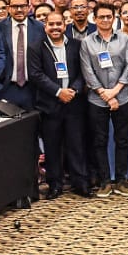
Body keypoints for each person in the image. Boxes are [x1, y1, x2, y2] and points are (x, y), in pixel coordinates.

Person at [29, 10, 89, 198]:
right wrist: (58, 92)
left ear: (65, 25)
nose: (55, 28)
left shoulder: (76, 45)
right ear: (45, 26)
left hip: (74, 103)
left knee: (76, 145)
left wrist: (73, 90)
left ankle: (80, 183)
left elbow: (83, 72)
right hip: (49, 105)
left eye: (58, 24)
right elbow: (36, 74)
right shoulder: (36, 47)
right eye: (51, 24)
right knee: (52, 147)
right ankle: (55, 185)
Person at [79, 2, 128, 194]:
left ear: (114, 18)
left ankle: (121, 180)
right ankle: (105, 181)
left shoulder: (124, 39)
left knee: (122, 140)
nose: (105, 20)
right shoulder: (87, 42)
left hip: (123, 96)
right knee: (99, 141)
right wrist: (105, 94)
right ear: (94, 19)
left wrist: (115, 91)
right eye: (101, 17)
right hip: (97, 99)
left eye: (108, 16)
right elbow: (87, 71)